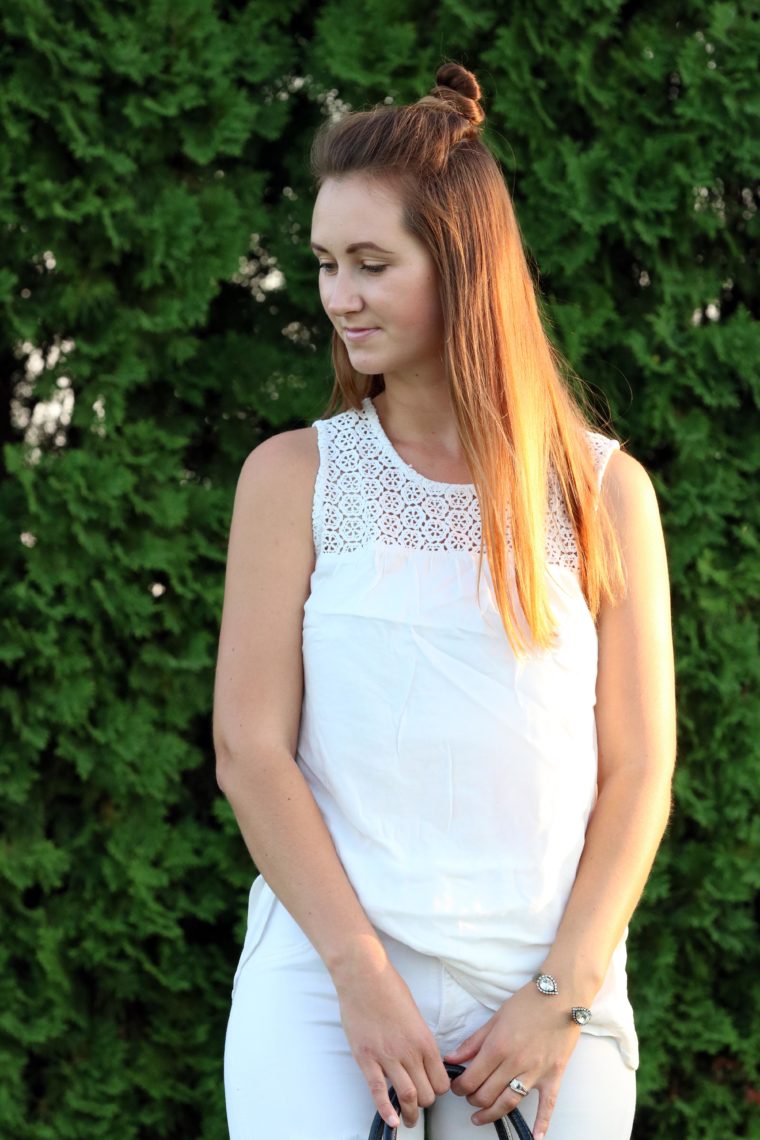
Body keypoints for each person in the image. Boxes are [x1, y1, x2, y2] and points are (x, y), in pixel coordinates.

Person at [213, 63, 676, 1140]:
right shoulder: (293, 478)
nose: (338, 296)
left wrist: (559, 997)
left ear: (464, 269)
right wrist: (359, 978)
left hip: (543, 996)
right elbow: (249, 747)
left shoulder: (603, 491)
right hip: (328, 991)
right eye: (326, 264)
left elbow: (639, 769)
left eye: (372, 264)